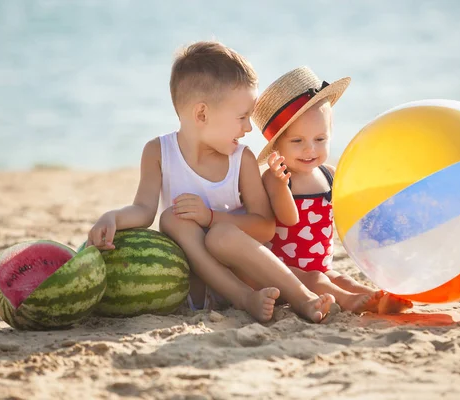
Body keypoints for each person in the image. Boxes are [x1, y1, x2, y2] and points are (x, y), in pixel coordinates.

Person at [86, 42, 335, 323]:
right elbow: (144, 211)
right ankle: (243, 299)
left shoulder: (243, 159)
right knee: (172, 218)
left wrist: (212, 217)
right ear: (202, 114)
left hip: (244, 270)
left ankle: (300, 296)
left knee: (221, 235)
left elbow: (266, 228)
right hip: (196, 286)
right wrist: (112, 218)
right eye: (242, 117)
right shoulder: (157, 152)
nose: (248, 128)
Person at [252, 66, 413, 314]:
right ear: (277, 146)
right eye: (297, 141)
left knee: (342, 279)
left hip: (322, 264)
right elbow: (288, 218)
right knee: (319, 281)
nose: (310, 150)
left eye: (320, 140)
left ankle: (377, 298)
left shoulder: (329, 174)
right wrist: (282, 185)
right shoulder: (277, 178)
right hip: (286, 271)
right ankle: (346, 301)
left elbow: (349, 209)